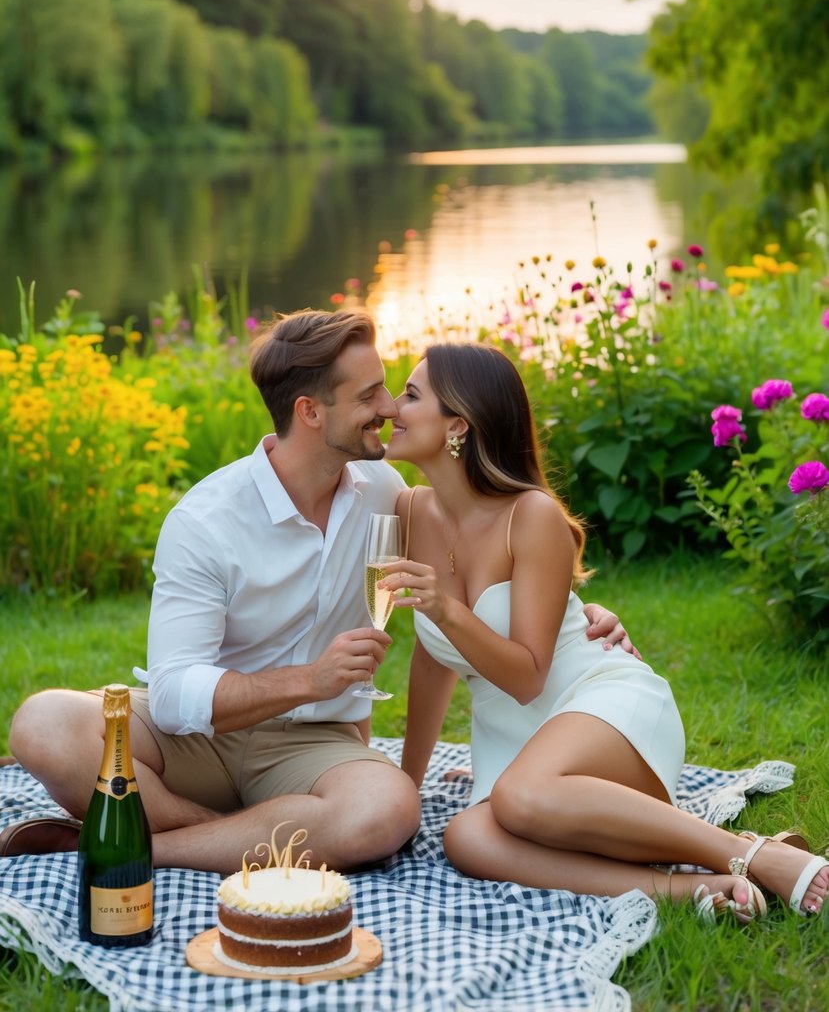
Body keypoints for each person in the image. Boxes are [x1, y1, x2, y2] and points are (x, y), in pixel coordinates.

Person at [2, 311, 629, 872]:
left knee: (384, 812)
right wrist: (311, 679)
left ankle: (136, 843)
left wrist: (582, 617)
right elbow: (169, 697)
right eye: (370, 394)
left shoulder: (386, 495)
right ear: (310, 412)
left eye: (393, 388)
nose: (388, 407)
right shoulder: (206, 521)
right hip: (200, 738)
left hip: (314, 743)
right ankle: (221, 834)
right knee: (46, 724)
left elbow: (491, 546)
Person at [379, 342, 828, 920]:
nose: (393, 407)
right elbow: (433, 661)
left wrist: (447, 610)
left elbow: (528, 677)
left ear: (458, 426)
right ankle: (696, 889)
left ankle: (754, 855)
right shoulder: (409, 511)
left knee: (520, 796)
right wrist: (407, 790)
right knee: (466, 837)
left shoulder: (530, 515)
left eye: (411, 396)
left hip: (603, 709)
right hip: (519, 750)